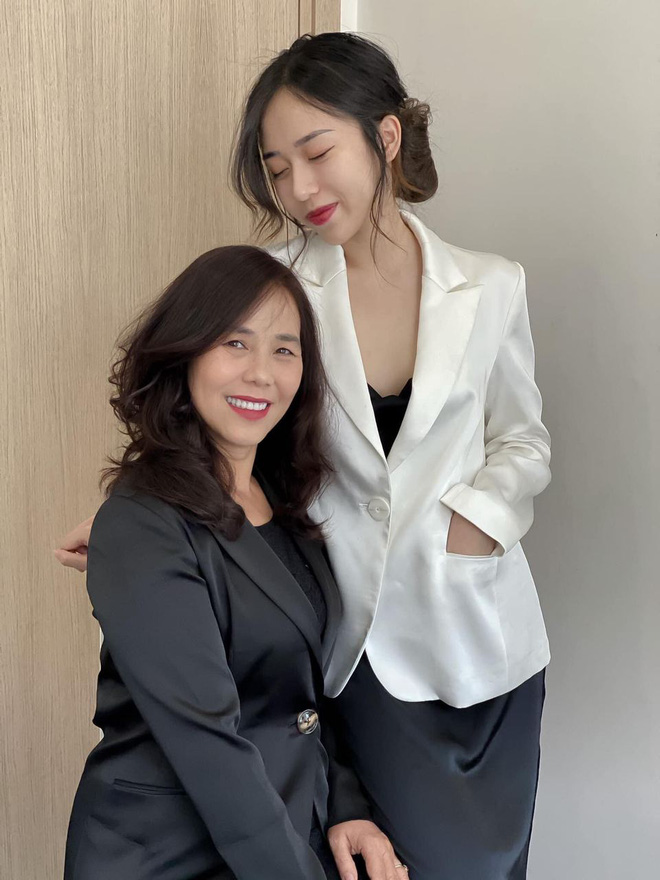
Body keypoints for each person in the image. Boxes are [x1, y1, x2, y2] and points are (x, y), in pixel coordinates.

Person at [57, 33, 552, 880]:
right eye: (278, 169)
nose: (300, 190)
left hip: (482, 641)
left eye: (317, 155)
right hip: (352, 646)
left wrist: (480, 521)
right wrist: (139, 514)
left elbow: (522, 437)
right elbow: (226, 419)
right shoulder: (276, 288)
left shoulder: (492, 283)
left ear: (385, 137)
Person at [62, 245, 402, 880]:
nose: (261, 374)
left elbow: (300, 689)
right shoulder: (141, 523)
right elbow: (207, 743)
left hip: (278, 829)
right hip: (168, 854)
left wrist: (344, 808)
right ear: (185, 353)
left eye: (284, 349)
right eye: (235, 343)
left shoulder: (284, 500)